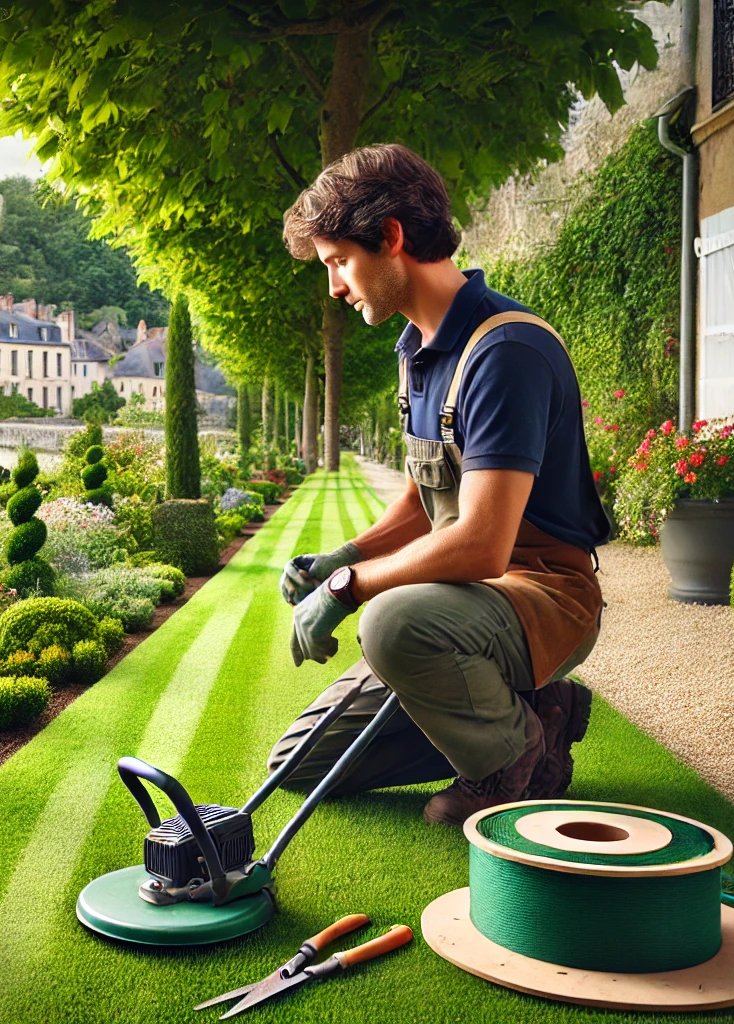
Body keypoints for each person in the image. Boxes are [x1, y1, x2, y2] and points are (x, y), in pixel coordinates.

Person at [270, 143, 611, 826]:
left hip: (543, 595)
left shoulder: (505, 351)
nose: (334, 287)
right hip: (460, 611)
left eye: (338, 262)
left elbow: (483, 545)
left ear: (390, 238)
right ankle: (537, 713)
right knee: (301, 766)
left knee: (391, 621)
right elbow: (423, 498)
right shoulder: (419, 351)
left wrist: (351, 589)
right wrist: (346, 557)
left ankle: (509, 760)